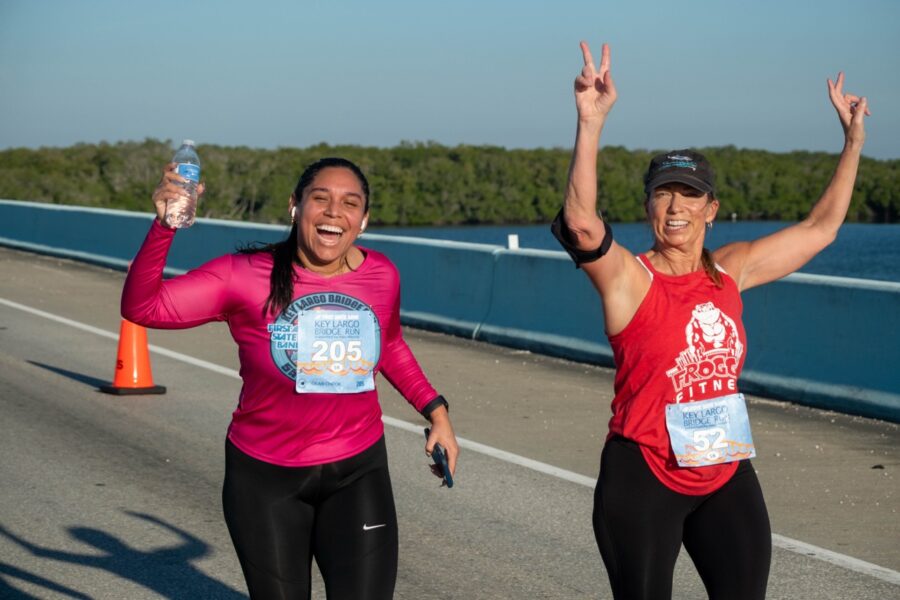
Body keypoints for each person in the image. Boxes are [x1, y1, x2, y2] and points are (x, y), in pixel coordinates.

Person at [552, 41, 868, 599]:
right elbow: (580, 222)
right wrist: (590, 122)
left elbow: (820, 230)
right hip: (644, 474)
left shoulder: (730, 271)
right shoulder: (631, 278)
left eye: (690, 195)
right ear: (648, 205)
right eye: (664, 194)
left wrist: (853, 142)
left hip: (723, 468)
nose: (676, 207)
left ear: (711, 208)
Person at [122, 157, 459, 599]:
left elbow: (390, 344)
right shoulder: (241, 276)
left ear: (364, 220)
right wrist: (164, 227)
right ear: (295, 207)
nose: (334, 212)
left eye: (350, 203)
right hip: (265, 479)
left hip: (357, 469)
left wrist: (436, 411)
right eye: (320, 199)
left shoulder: (381, 275)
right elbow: (142, 308)